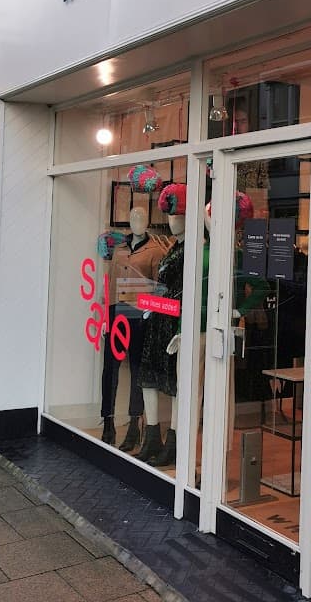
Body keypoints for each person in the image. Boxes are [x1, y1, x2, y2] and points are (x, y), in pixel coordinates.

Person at [100, 206, 165, 449]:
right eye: (134, 218)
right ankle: (107, 420)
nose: (138, 221)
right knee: (110, 369)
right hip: (117, 315)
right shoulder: (119, 250)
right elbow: (111, 284)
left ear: (148, 222)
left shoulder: (156, 251)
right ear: (128, 221)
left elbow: (160, 286)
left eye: (142, 218)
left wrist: (151, 312)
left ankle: (134, 423)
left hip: (140, 316)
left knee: (137, 371)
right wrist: (107, 315)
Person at [136, 183, 187, 466]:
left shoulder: (192, 249)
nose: (172, 221)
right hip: (159, 321)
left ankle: (174, 441)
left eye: (177, 215)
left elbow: (184, 292)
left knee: (175, 383)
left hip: (173, 325)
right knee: (149, 378)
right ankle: (152, 437)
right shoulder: (173, 247)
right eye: (169, 215)